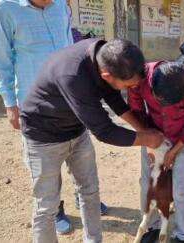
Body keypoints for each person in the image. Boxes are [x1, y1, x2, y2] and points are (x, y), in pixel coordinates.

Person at [19, 38, 164, 243]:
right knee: (47, 205)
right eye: (128, 85)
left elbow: (115, 100)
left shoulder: (104, 55)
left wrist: (143, 130)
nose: (132, 89)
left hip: (76, 132)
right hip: (43, 138)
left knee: (89, 192)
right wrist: (147, 138)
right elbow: (104, 131)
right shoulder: (72, 75)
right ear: (106, 75)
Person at [0, 0, 108, 234]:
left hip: (69, 101)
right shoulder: (5, 9)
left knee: (81, 164)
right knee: (46, 175)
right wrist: (10, 104)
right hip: (36, 108)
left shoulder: (61, 7)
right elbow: (2, 60)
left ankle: (80, 196)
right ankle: (57, 210)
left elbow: (68, 49)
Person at [128, 62, 184, 243]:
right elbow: (136, 109)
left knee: (181, 188)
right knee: (147, 184)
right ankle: (152, 227)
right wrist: (147, 137)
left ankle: (183, 235)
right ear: (153, 88)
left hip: (183, 139)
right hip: (152, 135)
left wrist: (174, 151)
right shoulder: (140, 78)